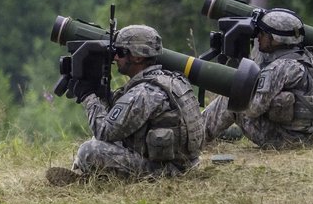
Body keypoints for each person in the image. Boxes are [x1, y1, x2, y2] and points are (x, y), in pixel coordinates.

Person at [46, 25, 205, 184]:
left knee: (89, 151)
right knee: (102, 143)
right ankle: (90, 176)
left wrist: (88, 96)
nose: (115, 57)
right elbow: (121, 119)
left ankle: (86, 180)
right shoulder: (171, 80)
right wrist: (102, 93)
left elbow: (104, 131)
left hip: (166, 172)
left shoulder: (144, 93)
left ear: (137, 57)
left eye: (121, 52)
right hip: (186, 164)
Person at [202, 8, 313, 149]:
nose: (258, 37)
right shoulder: (311, 59)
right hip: (308, 138)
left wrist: (240, 89)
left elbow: (253, 109)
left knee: (231, 98)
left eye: (263, 34)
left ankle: (196, 136)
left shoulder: (279, 68)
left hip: (287, 141)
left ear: (275, 39)